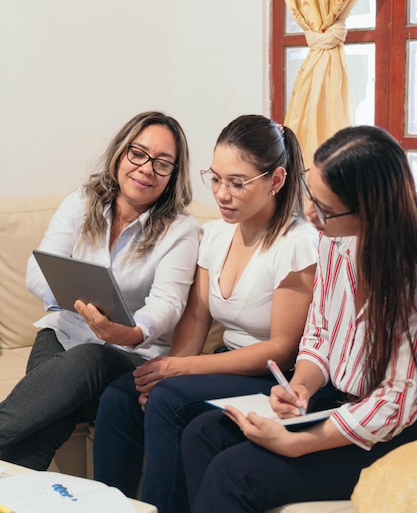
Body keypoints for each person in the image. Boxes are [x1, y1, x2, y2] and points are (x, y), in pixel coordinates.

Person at [180, 125, 417, 513]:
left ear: (370, 210)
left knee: (234, 473)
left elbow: (396, 401)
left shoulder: (408, 278)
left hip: (390, 429)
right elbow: (319, 332)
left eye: (324, 208)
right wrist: (301, 387)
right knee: (203, 433)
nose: (309, 213)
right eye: (311, 194)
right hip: (335, 400)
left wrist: (298, 442)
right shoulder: (332, 239)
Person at [93, 114, 318, 511]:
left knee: (167, 400)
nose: (221, 194)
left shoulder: (296, 245)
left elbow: (281, 348)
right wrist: (167, 370)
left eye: (237, 183)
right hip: (222, 366)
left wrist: (177, 372)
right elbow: (196, 319)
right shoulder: (215, 235)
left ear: (276, 181)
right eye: (215, 178)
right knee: (119, 397)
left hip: (270, 377)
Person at [0, 111, 200, 471]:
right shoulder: (81, 202)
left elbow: (168, 302)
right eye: (137, 153)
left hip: (127, 355)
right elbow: (39, 269)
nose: (146, 168)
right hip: (63, 334)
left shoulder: (180, 230)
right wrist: (79, 304)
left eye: (162, 163)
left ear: (173, 175)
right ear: (120, 153)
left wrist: (133, 331)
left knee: (89, 358)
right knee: (48, 418)